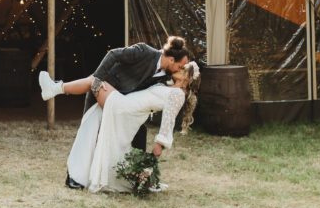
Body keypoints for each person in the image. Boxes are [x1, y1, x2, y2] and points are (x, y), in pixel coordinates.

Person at [39, 36, 190, 185]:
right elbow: (113, 54)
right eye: (181, 66)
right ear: (171, 60)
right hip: (104, 91)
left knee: (136, 134)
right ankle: (74, 177)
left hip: (123, 104)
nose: (180, 69)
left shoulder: (165, 77)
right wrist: (98, 78)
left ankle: (134, 177)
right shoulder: (144, 51)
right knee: (89, 130)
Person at [65, 60, 201, 193]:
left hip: (126, 109)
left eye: (183, 70)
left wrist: (160, 143)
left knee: (94, 81)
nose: (178, 69)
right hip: (127, 106)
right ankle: (78, 175)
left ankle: (58, 88)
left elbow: (168, 120)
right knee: (95, 116)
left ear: (187, 79)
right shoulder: (169, 86)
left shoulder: (178, 95)